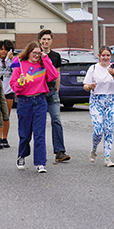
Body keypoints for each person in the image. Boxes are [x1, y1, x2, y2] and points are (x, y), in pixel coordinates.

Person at [10, 41, 59, 173]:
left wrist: (46, 58)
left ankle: (40, 162)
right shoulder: (20, 65)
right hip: (24, 101)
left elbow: (54, 75)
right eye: (34, 53)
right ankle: (22, 155)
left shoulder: (43, 64)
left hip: (40, 101)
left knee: (39, 134)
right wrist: (20, 83)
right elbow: (13, 85)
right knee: (25, 134)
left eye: (39, 53)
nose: (37, 55)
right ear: (29, 52)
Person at [83, 45, 114, 167]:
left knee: (109, 130)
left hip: (111, 100)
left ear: (111, 56)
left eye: (108, 55)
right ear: (99, 56)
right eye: (103, 55)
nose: (105, 58)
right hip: (96, 100)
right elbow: (85, 86)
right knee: (98, 130)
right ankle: (94, 149)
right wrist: (90, 86)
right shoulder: (93, 68)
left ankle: (107, 157)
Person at [39, 30, 71, 162]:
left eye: (48, 39)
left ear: (52, 41)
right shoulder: (36, 55)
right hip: (39, 92)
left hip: (52, 92)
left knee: (56, 120)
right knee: (39, 123)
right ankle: (38, 152)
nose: (46, 42)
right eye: (44, 39)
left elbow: (57, 75)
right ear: (40, 40)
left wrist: (57, 91)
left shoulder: (56, 56)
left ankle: (59, 151)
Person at [0, 40, 15, 149]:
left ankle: (5, 138)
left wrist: (11, 60)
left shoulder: (12, 60)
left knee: (6, 116)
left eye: (6, 49)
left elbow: (17, 71)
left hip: (9, 91)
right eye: (1, 49)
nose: (3, 52)